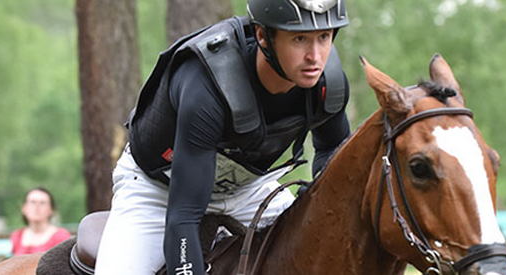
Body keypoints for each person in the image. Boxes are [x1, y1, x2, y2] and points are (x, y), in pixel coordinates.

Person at [95, 0, 351, 274]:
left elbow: (331, 149)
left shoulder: (329, 85)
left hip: (248, 190)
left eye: (324, 37)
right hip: (159, 191)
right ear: (262, 35)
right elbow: (183, 216)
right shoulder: (207, 85)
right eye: (300, 38)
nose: (315, 56)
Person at [10, 187, 71, 255]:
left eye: (42, 203)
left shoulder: (61, 237)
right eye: (33, 202)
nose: (37, 207)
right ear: (24, 208)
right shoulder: (17, 236)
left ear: (51, 209)